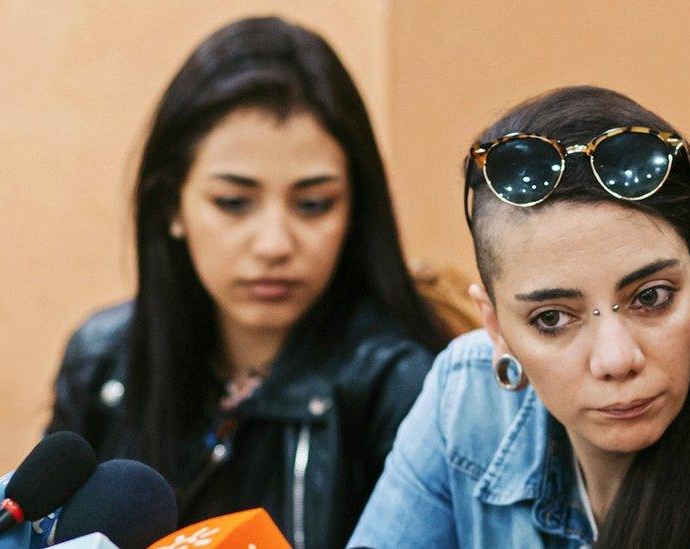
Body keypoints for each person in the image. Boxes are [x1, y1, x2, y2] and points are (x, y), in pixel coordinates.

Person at [349, 86, 690, 548]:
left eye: (651, 298)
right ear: (494, 326)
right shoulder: (463, 399)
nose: (616, 359)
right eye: (552, 318)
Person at [46, 17, 447, 549]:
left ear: (355, 211)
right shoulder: (103, 360)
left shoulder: (405, 385)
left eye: (313, 204)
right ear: (172, 206)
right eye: (233, 203)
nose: (274, 243)